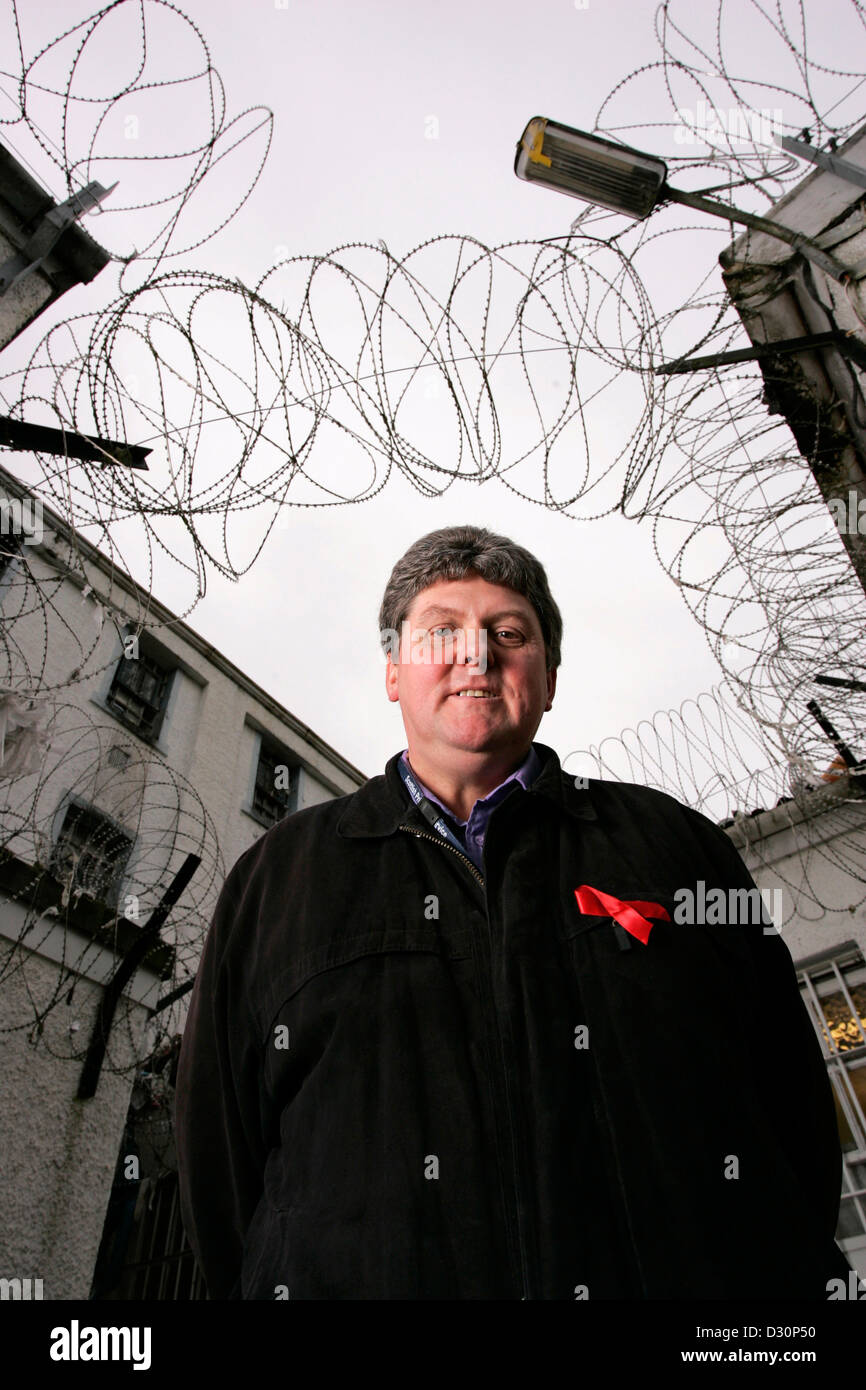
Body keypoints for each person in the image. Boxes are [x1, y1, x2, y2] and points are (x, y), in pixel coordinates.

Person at [175, 525, 850, 1300]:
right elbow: (221, 1174)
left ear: (549, 676)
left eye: (508, 632)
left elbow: (792, 1110)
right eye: (441, 631)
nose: (477, 654)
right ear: (393, 671)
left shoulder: (673, 849)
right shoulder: (277, 882)